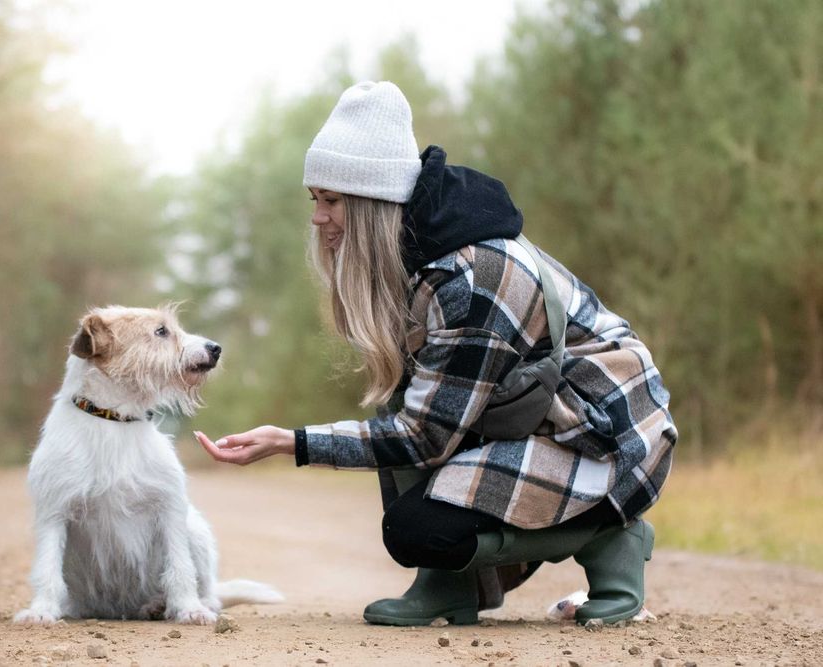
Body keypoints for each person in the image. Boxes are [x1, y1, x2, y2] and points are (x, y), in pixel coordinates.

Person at [196, 81, 677, 627]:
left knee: (419, 529)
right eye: (315, 200)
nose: (317, 217)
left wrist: (292, 442)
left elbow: (425, 437)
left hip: (610, 438)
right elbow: (424, 413)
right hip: (543, 419)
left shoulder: (470, 279)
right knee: (401, 423)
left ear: (371, 201)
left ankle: (609, 535)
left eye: (331, 201)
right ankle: (450, 588)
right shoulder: (421, 261)